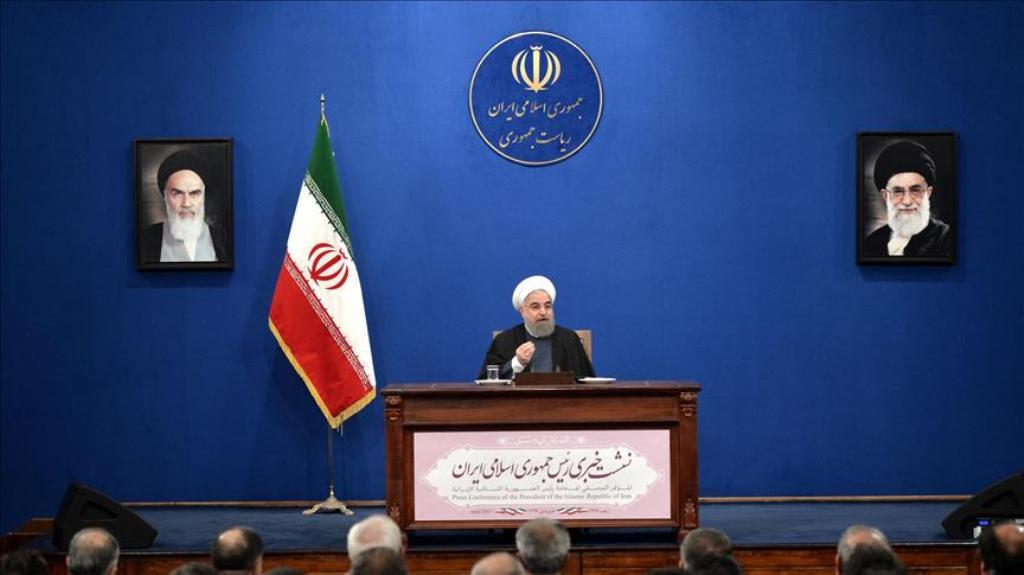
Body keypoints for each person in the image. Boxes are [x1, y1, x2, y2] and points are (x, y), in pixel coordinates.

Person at [479, 276, 595, 380]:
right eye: (535, 307)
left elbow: (586, 380)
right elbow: (487, 381)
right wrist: (517, 362)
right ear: (522, 311)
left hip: (563, 402)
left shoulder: (569, 339)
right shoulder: (504, 340)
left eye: (547, 306)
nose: (543, 312)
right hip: (518, 403)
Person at [863, 140, 952, 258]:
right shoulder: (871, 244)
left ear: (928, 193)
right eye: (898, 191)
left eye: (915, 190)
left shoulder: (947, 238)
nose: (907, 201)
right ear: (885, 196)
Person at [141, 148, 228, 263]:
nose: (186, 203)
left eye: (195, 193)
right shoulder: (146, 240)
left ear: (204, 196)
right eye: (177, 193)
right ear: (165, 196)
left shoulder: (224, 240)